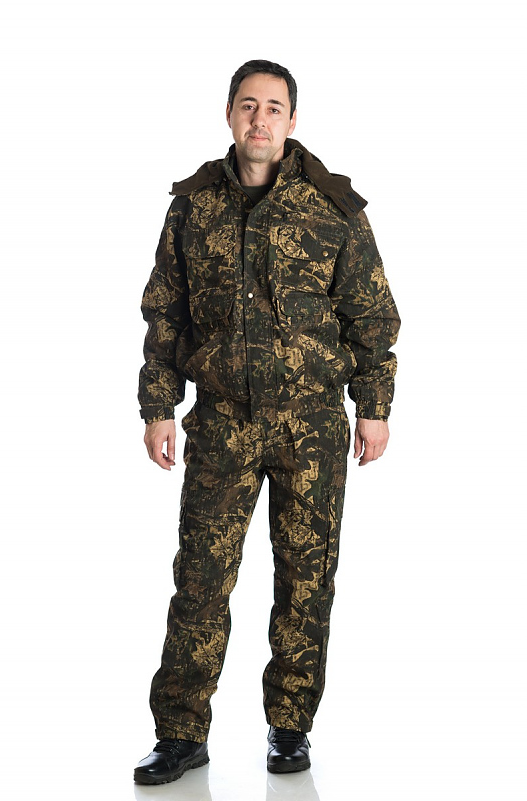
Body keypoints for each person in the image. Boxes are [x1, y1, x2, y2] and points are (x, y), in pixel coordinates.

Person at [134, 59, 400, 785]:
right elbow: (166, 313)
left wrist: (374, 406)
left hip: (312, 427)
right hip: (221, 423)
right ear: (229, 115)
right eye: (248, 105)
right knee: (200, 579)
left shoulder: (332, 207)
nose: (260, 119)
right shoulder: (193, 207)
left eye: (273, 107)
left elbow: (373, 316)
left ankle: (290, 727)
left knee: (306, 579)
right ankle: (180, 732)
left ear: (292, 121)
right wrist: (158, 405)